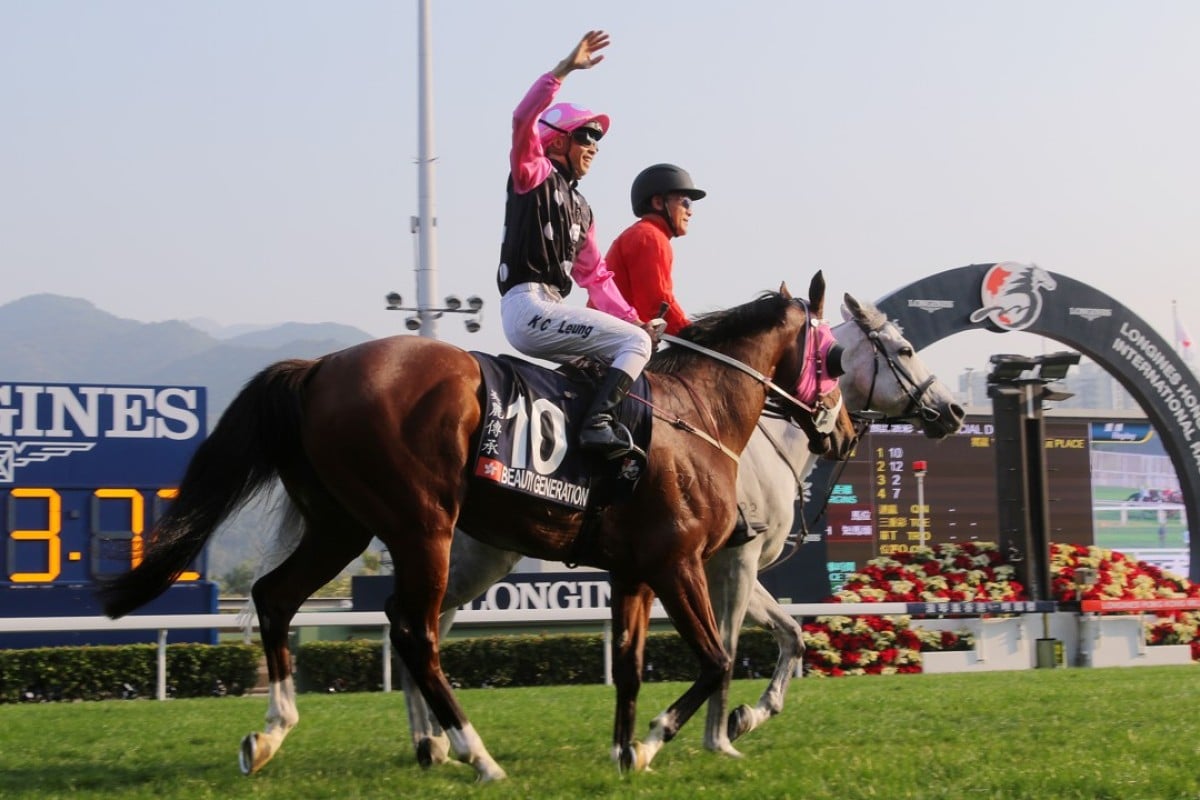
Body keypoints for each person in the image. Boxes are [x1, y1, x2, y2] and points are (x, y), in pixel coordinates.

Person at [497, 30, 655, 460]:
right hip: (530, 308)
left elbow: (597, 278)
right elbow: (520, 119)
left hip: (550, 311)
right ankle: (596, 427)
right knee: (634, 348)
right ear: (558, 140)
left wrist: (635, 320)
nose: (594, 147)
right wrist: (563, 70)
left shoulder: (582, 210)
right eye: (587, 135)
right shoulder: (533, 172)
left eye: (597, 139)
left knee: (625, 347)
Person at [600, 164, 706, 335]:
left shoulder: (646, 233)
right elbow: (656, 303)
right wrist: (690, 333)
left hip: (617, 335)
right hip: (613, 338)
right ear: (658, 202)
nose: (690, 212)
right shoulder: (650, 237)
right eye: (685, 202)